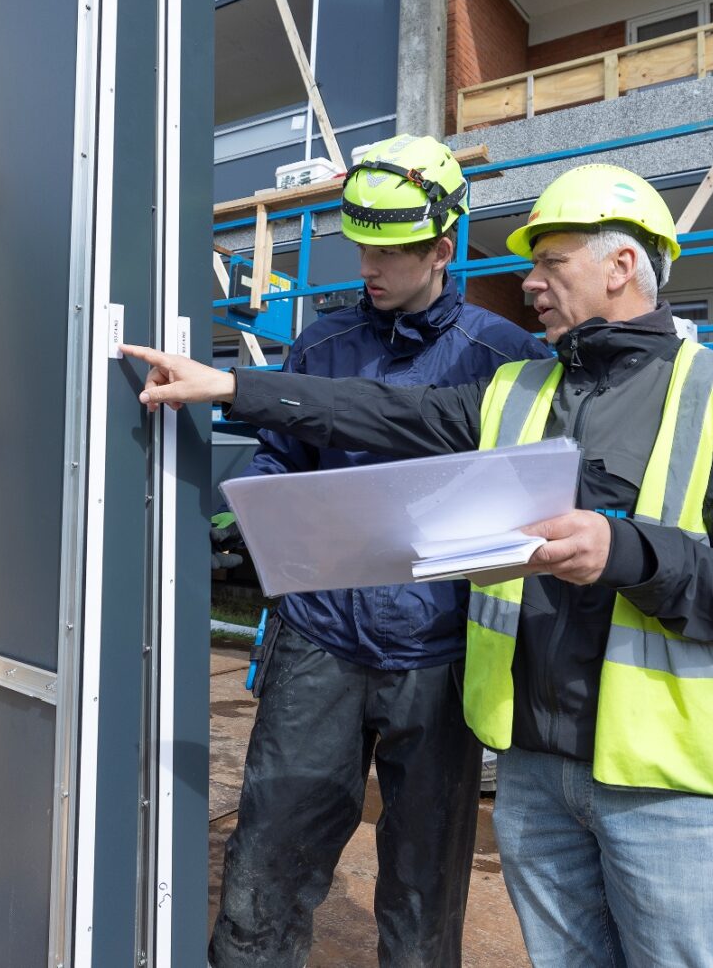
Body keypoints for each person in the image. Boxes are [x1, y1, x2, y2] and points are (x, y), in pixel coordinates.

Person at [128, 163, 713, 968]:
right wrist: (230, 384)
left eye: (551, 264)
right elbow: (382, 413)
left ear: (621, 266)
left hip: (662, 785)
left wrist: (623, 551)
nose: (529, 284)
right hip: (534, 766)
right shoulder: (518, 386)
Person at [209, 135, 547, 967]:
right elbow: (284, 453)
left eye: (391, 250)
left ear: (442, 247)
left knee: (427, 873)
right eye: (362, 244)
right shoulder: (323, 347)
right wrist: (248, 512)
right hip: (319, 638)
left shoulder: (504, 357)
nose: (370, 264)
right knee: (270, 853)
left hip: (439, 646)